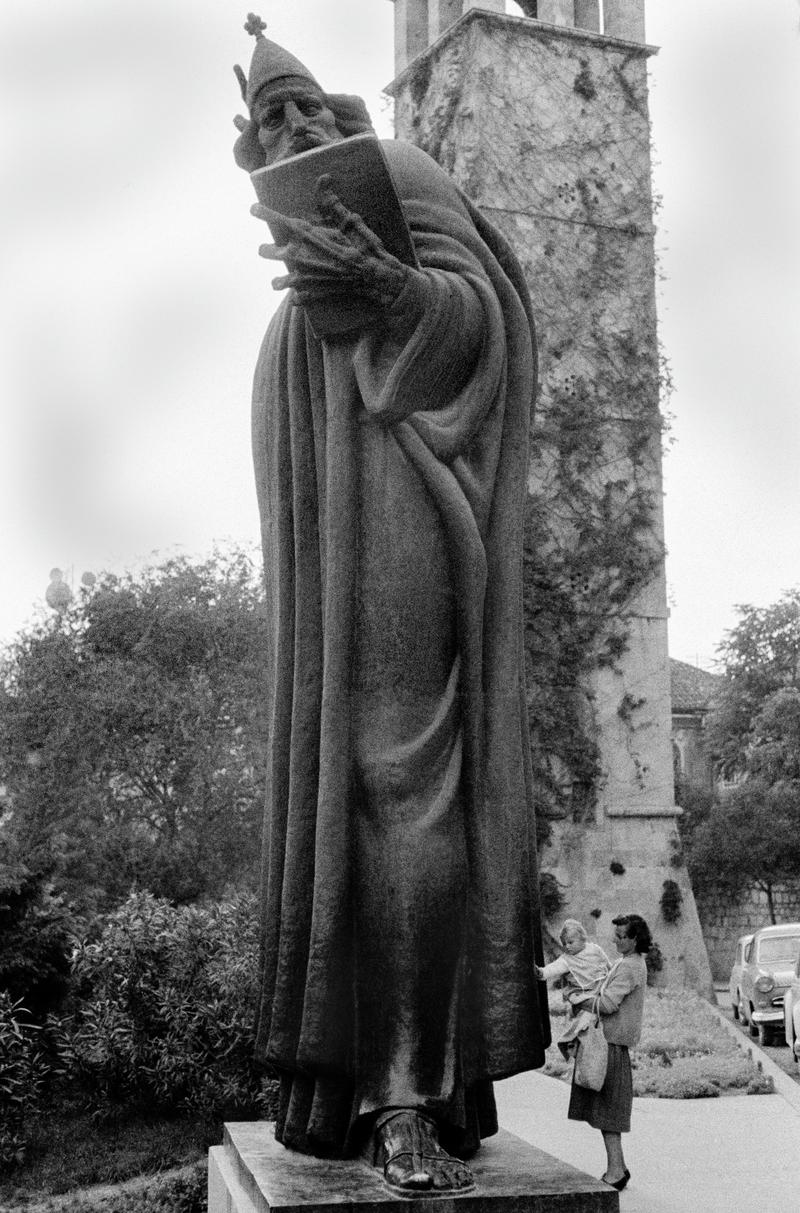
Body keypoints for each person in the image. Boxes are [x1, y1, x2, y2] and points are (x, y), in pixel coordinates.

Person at [231, 15, 549, 1197]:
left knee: (401, 773)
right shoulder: (294, 214)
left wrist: (386, 286)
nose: (299, 126)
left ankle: (409, 1087)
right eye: (274, 119)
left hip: (404, 488)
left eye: (312, 107)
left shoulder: (404, 174)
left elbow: (487, 321)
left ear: (351, 115)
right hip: (329, 504)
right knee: (336, 778)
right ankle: (352, 1080)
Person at [568, 913, 652, 1192]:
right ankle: (618, 1167)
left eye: (620, 936)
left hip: (611, 1045)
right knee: (607, 1111)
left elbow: (607, 1004)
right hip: (612, 1044)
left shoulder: (629, 966)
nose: (614, 940)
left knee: (608, 1111)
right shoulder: (629, 962)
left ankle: (616, 1170)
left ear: (634, 939)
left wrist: (577, 998)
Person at [535, 919, 610, 1007]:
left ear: (582, 939)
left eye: (570, 942)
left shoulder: (594, 948)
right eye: (564, 944)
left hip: (601, 985)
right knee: (587, 1015)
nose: (567, 946)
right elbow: (554, 968)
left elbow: (606, 962)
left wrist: (611, 972)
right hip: (582, 992)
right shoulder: (567, 959)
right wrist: (541, 972)